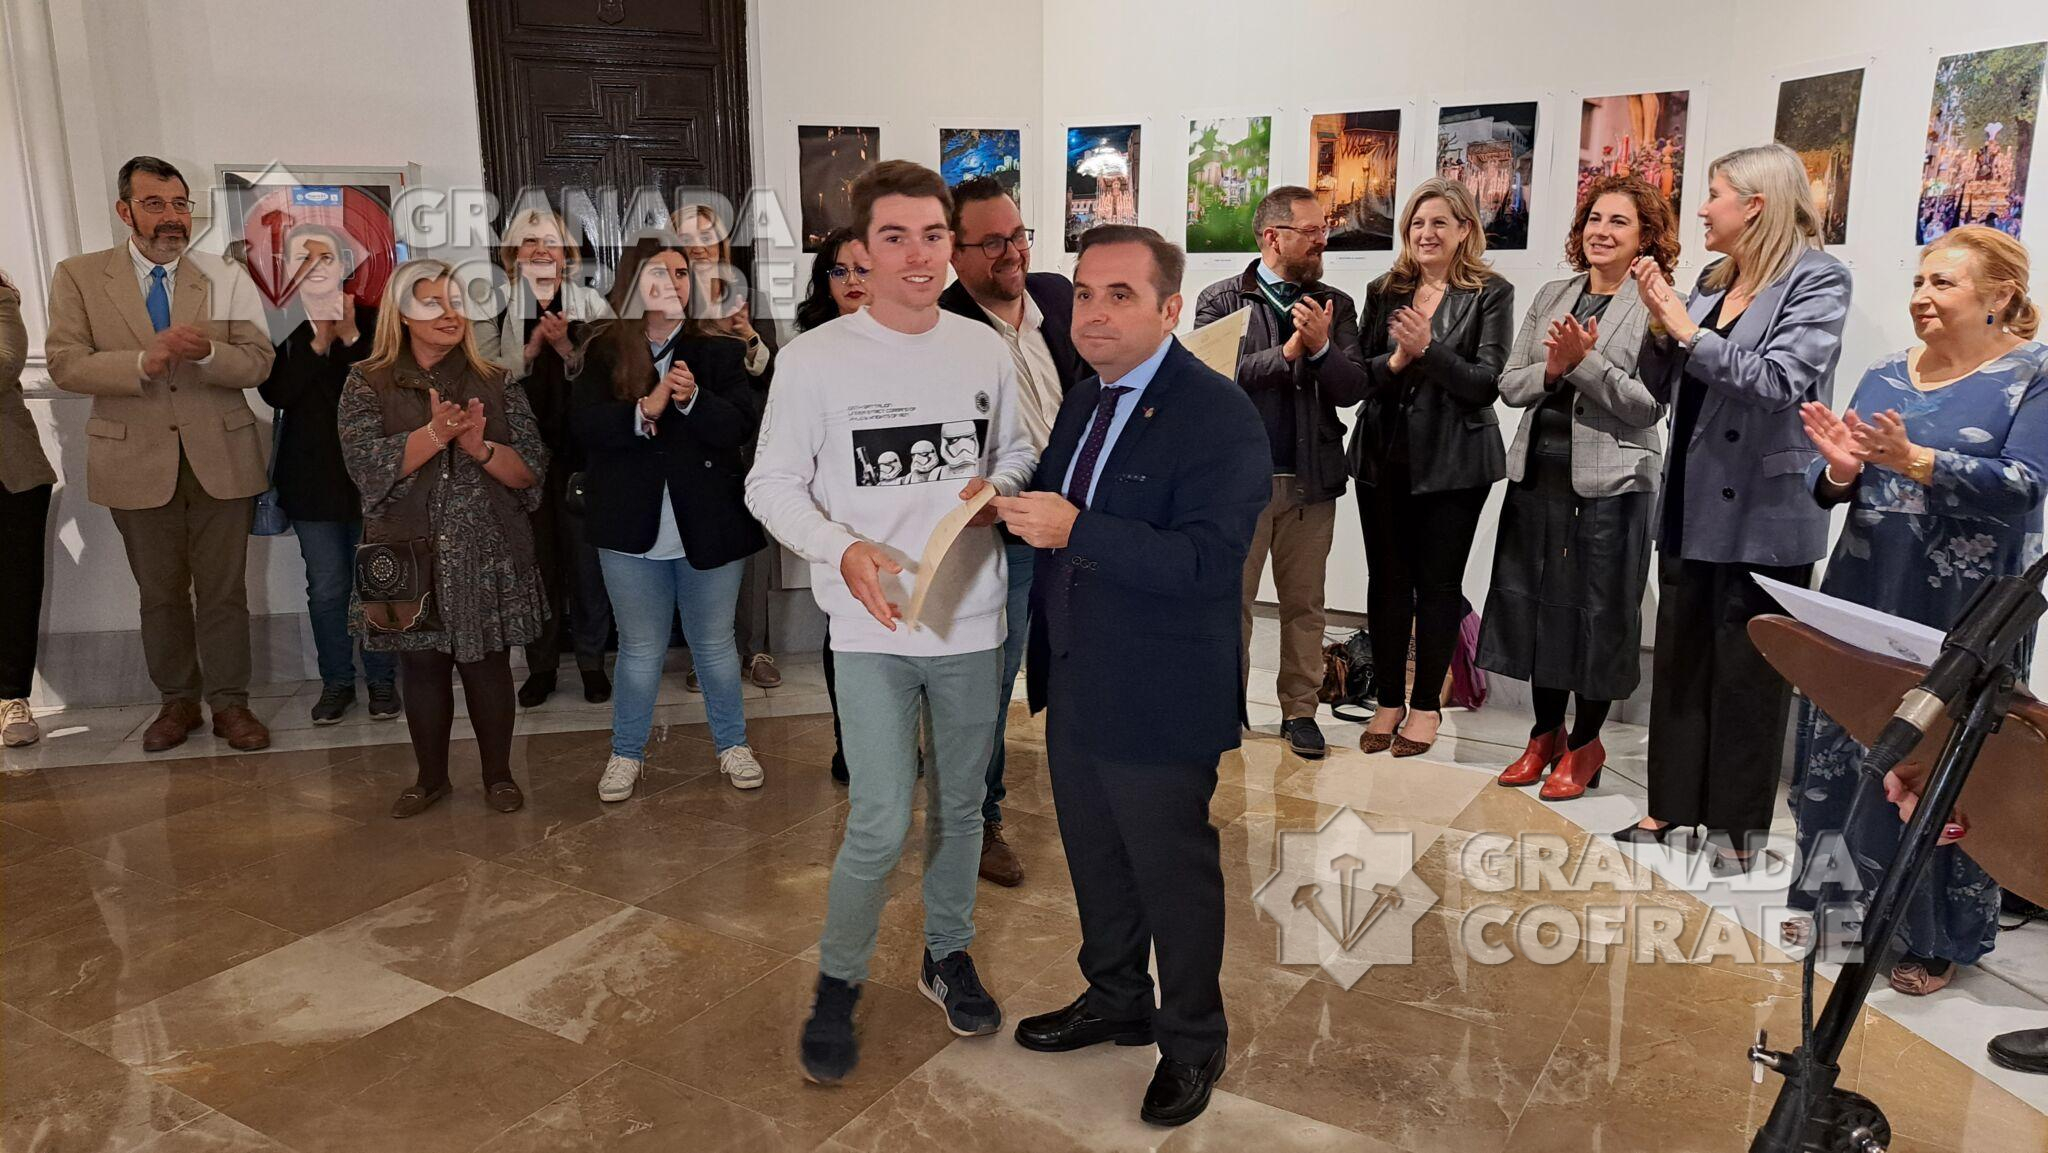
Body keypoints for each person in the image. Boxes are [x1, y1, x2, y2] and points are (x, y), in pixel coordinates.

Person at [746, 160, 1037, 1084]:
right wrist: (840, 549)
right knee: (878, 818)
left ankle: (946, 953)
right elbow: (771, 484)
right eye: (895, 237)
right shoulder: (814, 360)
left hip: (972, 621)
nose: (918, 255)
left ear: (953, 245)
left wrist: (999, 488)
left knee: (961, 807)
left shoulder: (982, 348)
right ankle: (837, 983)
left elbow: (1019, 448)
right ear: (860, 253)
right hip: (871, 629)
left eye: (934, 236)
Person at [1001, 224, 1269, 1128]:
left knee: (1171, 870)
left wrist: (1075, 528)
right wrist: (1000, 507)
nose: (1095, 312)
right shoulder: (1086, 397)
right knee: (1095, 853)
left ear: (1170, 308)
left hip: (1161, 687)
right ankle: (1116, 995)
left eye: (1121, 295)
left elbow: (1206, 561)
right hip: (1077, 671)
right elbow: (1056, 500)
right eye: (1085, 292)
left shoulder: (1217, 413)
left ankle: (1192, 1039)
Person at [1791, 226, 2046, 993]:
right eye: (1919, 282)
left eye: (1943, 283)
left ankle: (1936, 936)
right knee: (1847, 747)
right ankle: (1836, 911)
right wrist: (1839, 471)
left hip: (1966, 609)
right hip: (1866, 586)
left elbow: (2027, 483)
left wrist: (1917, 460)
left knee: (1948, 764)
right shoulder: (1881, 373)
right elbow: (1834, 479)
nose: (1922, 297)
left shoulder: (2030, 375)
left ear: (1999, 295)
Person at [1623, 143, 1852, 874]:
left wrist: (1686, 330)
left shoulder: (1819, 279)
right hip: (1691, 500)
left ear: (1755, 204)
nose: (1701, 209)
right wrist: (1659, 325)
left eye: (1714, 194)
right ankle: (1668, 805)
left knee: (1749, 673)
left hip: (1765, 508)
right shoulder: (1711, 279)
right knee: (1681, 659)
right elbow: (1662, 382)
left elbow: (1779, 380)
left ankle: (1736, 832)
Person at [44, 156, 277, 753]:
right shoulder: (78, 275)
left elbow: (258, 361)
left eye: (179, 204)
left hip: (222, 457)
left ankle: (231, 704)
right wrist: (140, 362)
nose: (171, 217)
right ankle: (177, 703)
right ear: (124, 211)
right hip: (134, 461)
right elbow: (66, 363)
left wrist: (207, 354)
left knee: (225, 592)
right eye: (154, 204)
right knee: (160, 593)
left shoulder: (225, 274)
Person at [1480, 175, 1676, 798]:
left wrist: (1583, 364)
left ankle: (1586, 743)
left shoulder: (1656, 303)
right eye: (1594, 218)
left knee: (1600, 613)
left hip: (1614, 483)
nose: (1602, 231)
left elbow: (1649, 406)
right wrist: (1553, 368)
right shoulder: (1554, 293)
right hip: (1537, 474)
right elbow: (1510, 384)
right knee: (1536, 607)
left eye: (1619, 221)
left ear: (1646, 236)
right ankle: (1544, 734)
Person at [339, 259, 548, 817]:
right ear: (402, 314)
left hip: (487, 548)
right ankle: (430, 779)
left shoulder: (496, 380)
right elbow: (365, 467)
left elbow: (531, 472)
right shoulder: (367, 381)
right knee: (422, 667)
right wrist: (434, 435)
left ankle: (499, 775)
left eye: (456, 302)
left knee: (488, 665)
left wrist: (480, 448)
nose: (450, 313)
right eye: (432, 302)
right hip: (402, 548)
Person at [572, 239, 766, 802]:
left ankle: (733, 745)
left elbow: (740, 428)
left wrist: (691, 400)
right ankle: (626, 754)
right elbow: (580, 429)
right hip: (629, 528)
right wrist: (643, 411)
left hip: (707, 524)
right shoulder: (603, 349)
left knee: (714, 646)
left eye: (682, 273)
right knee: (639, 650)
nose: (675, 283)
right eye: (659, 273)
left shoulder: (719, 350)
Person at [937, 175, 1087, 886]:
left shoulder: (1056, 295)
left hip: (1083, 526)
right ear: (955, 252)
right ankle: (979, 818)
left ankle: (1098, 793)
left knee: (1084, 668)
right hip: (1001, 536)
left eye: (1018, 235)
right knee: (990, 687)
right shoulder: (940, 330)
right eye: (992, 241)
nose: (1013, 252)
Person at [1194, 185, 1369, 761]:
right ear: (1274, 236)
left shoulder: (1336, 303)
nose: (1323, 241)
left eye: (1323, 230)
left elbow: (1353, 387)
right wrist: (1289, 352)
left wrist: (1320, 350)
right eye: (1312, 231)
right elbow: (1212, 380)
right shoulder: (1220, 300)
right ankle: (1224, 708)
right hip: (1236, 486)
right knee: (1231, 604)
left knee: (1305, 606)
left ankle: (1300, 712)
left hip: (1311, 482)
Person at [1350, 178, 1514, 758]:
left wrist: (1428, 349)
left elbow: (1485, 383)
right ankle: (1387, 701)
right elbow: (1361, 373)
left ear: (1465, 229)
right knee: (1386, 583)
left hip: (1455, 464)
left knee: (1438, 586)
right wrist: (1398, 359)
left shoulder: (1490, 292)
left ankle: (1425, 708)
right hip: (1382, 457)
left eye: (1440, 222)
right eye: (1418, 223)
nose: (1426, 233)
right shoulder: (1384, 289)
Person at [474, 207, 615, 708]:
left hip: (581, 456)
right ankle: (542, 666)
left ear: (566, 252)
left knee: (587, 566)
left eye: (550, 242)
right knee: (534, 566)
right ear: (513, 253)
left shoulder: (591, 303)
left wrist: (563, 349)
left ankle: (593, 662)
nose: (540, 250)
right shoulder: (492, 304)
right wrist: (530, 351)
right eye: (529, 241)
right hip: (518, 457)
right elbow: (479, 377)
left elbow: (614, 374)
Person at [259, 225, 399, 725]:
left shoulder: (375, 319)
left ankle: (383, 679)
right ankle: (337, 681)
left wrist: (352, 338)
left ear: (344, 265)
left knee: (377, 582)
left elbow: (389, 388)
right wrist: (319, 342)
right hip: (310, 480)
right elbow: (277, 394)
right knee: (328, 587)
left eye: (325, 258)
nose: (315, 268)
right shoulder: (280, 325)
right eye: (303, 259)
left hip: (372, 479)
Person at [676, 202, 782, 690]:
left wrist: (748, 336)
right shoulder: (669, 301)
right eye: (687, 237)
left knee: (755, 553)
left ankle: (755, 649)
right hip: (693, 445)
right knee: (700, 551)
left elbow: (775, 372)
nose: (698, 246)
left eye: (706, 236)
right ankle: (705, 654)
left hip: (750, 444)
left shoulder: (749, 296)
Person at [800, 227, 870, 785]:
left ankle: (902, 740)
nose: (852, 281)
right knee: (844, 633)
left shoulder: (923, 342)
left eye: (863, 269)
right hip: (839, 518)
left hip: (907, 514)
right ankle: (851, 743)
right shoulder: (809, 351)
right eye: (839, 271)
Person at [0, 266, 54, 746]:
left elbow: (4, 365)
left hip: (10, 472)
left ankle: (11, 698)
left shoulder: (1, 299)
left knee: (15, 589)